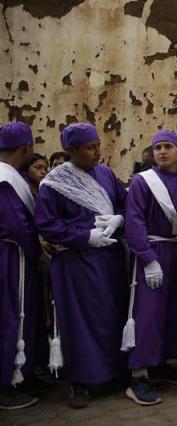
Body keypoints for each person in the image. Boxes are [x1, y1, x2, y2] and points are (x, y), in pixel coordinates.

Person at [35, 123, 128, 409]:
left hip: (109, 259)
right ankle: (80, 380)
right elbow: (47, 224)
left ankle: (113, 372)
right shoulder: (54, 183)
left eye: (98, 144)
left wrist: (119, 220)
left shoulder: (106, 173)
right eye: (90, 147)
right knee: (79, 319)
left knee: (111, 314)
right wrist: (85, 236)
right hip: (75, 263)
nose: (97, 151)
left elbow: (125, 204)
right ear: (71, 150)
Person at [122, 130, 177, 405]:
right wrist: (148, 259)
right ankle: (138, 376)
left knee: (173, 311)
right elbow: (134, 221)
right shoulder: (142, 182)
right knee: (148, 314)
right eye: (158, 147)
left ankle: (160, 363)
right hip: (151, 252)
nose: (162, 152)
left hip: (176, 253)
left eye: (168, 147)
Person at [0, 122, 42, 410]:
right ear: (26, 147)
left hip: (15, 255)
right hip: (10, 256)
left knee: (22, 316)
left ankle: (22, 371)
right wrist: (40, 253)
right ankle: (6, 384)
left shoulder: (11, 175)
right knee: (10, 317)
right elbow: (18, 224)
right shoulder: (5, 178)